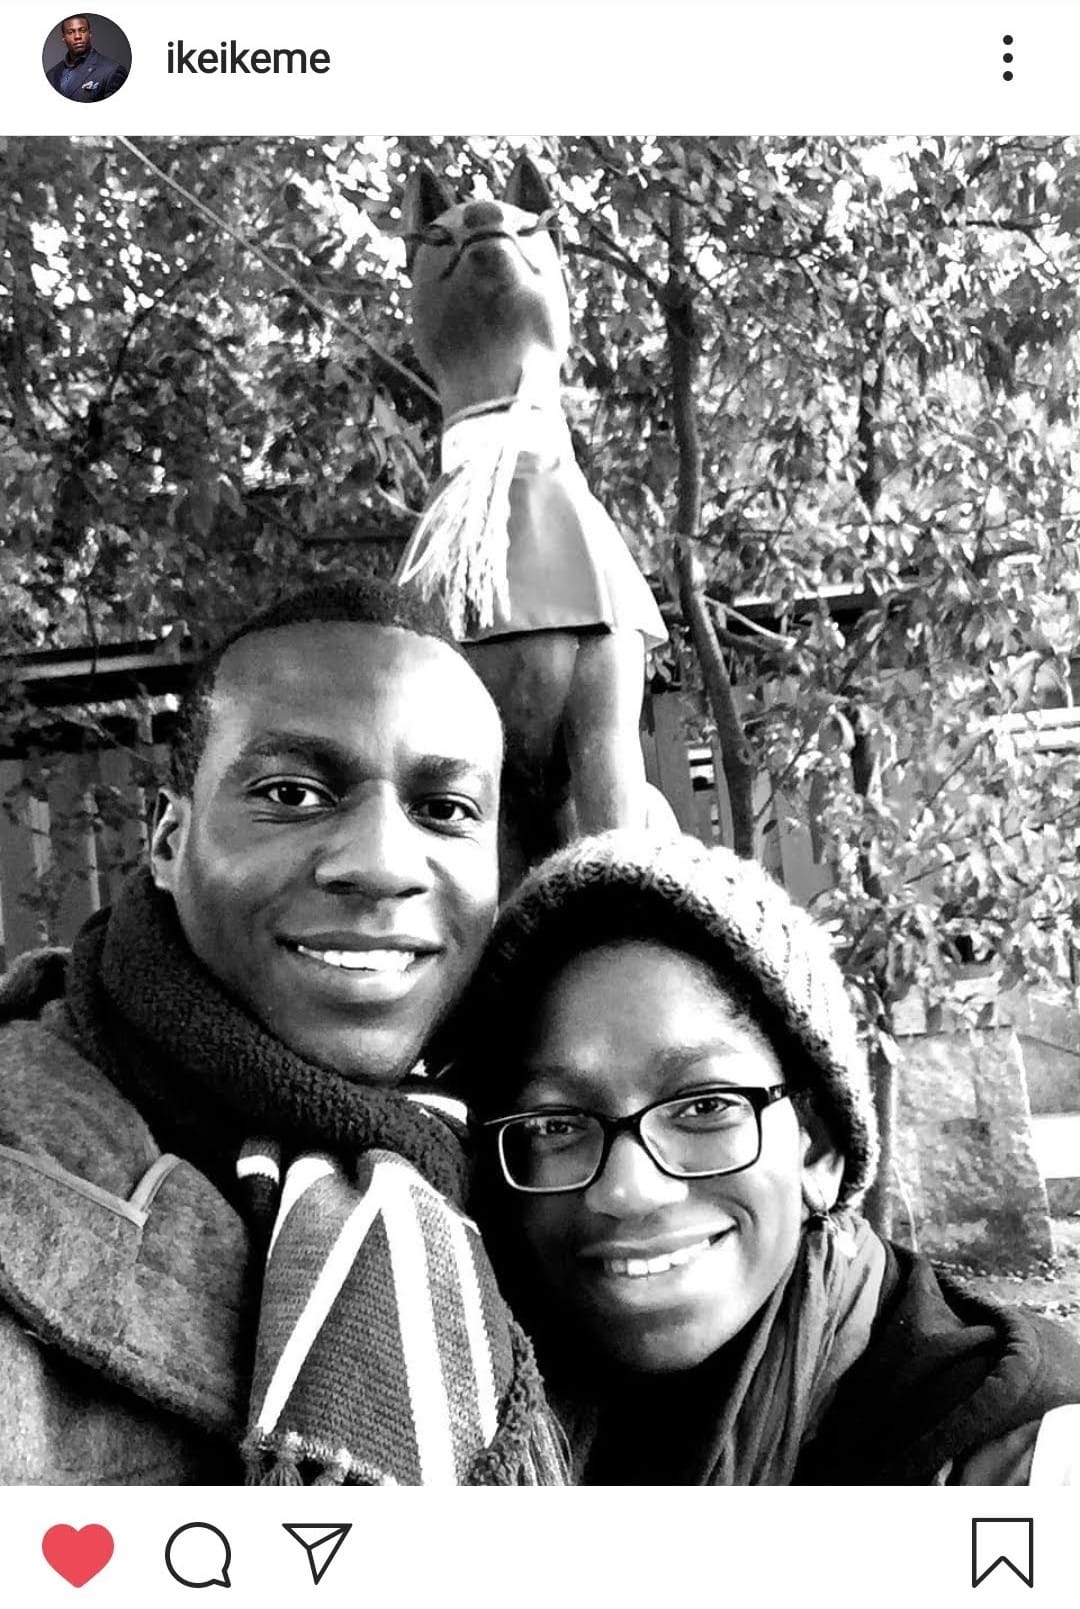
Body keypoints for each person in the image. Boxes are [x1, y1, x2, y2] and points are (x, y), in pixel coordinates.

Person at [0, 578, 564, 1484]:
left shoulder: (558, 1152)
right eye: (294, 793)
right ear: (169, 839)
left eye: (446, 810)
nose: (382, 864)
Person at [451, 829, 1080, 1484]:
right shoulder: (475, 1403)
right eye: (557, 1122)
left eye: (703, 1106)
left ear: (821, 1148)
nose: (627, 1188)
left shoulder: (1020, 1460)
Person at [45, 15, 128, 102]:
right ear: (64, 38)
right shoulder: (50, 75)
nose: (77, 36)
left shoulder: (112, 71)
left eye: (82, 30)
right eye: (70, 32)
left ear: (90, 34)